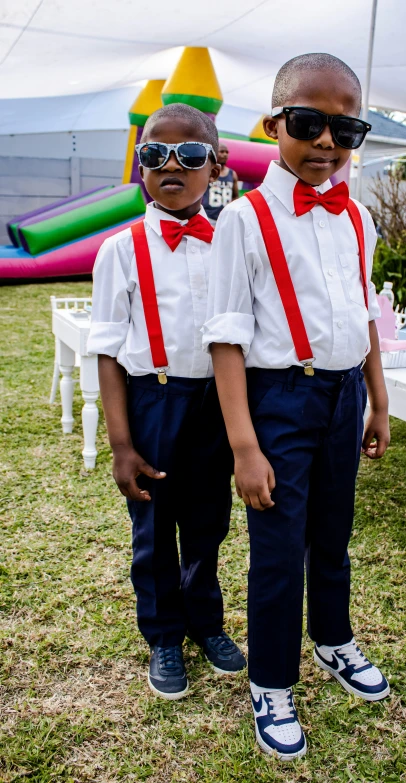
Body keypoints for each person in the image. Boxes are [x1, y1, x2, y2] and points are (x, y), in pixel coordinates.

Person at [203, 53, 390, 759]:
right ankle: (272, 681)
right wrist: (245, 447)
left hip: (344, 393)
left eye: (346, 130)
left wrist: (378, 397)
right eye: (308, 124)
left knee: (332, 534)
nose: (324, 144)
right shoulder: (243, 221)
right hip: (279, 398)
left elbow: (364, 312)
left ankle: (334, 637)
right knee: (278, 550)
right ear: (275, 122)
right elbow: (226, 339)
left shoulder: (359, 219)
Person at [87, 103, 246, 701]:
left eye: (190, 154)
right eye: (155, 154)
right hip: (153, 400)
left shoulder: (231, 239)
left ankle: (205, 622)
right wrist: (122, 444)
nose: (171, 165)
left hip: (216, 402)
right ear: (140, 165)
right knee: (154, 527)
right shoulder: (119, 250)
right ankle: (163, 635)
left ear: (217, 164)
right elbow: (106, 351)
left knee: (208, 523)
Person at [202, 142, 239, 224]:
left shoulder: (232, 174)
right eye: (222, 152)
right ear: (215, 153)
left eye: (227, 152)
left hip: (226, 218)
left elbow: (235, 196)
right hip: (209, 217)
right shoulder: (208, 172)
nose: (225, 154)